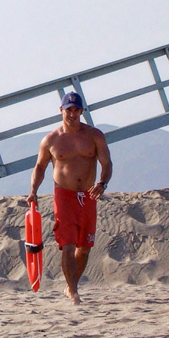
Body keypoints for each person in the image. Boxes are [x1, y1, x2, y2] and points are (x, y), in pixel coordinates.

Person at [27, 92, 112, 305]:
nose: (72, 114)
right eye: (68, 110)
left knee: (83, 248)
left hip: (88, 194)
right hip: (63, 196)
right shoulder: (51, 140)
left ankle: (69, 286)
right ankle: (73, 291)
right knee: (67, 244)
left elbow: (107, 162)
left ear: (82, 111)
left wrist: (102, 183)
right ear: (61, 110)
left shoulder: (95, 135)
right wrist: (33, 191)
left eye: (76, 110)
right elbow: (39, 167)